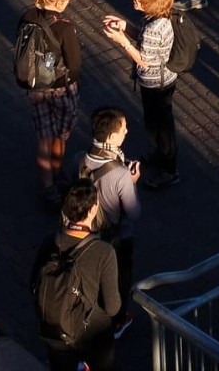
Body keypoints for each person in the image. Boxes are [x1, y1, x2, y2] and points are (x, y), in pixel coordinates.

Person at [30, 181, 124, 371]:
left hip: (56, 330)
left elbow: (33, 283)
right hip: (92, 334)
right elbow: (112, 307)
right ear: (92, 209)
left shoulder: (50, 240)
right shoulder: (103, 251)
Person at [101, 0, 182, 189]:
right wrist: (125, 26)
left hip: (157, 83)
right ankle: (160, 155)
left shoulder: (155, 27)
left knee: (162, 127)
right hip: (162, 80)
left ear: (150, 1)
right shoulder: (158, 18)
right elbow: (144, 39)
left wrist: (122, 41)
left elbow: (144, 60)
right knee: (155, 122)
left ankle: (169, 170)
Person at [22, 0, 84, 205]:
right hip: (61, 87)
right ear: (62, 1)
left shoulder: (28, 17)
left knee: (44, 136)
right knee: (61, 134)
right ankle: (58, 175)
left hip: (35, 85)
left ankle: (47, 184)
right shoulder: (65, 27)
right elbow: (74, 63)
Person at [80, 107, 142, 333]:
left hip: (87, 234)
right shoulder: (121, 174)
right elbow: (134, 212)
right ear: (111, 136)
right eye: (123, 128)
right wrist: (132, 181)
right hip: (116, 236)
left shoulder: (81, 159)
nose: (127, 131)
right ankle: (117, 320)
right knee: (119, 278)